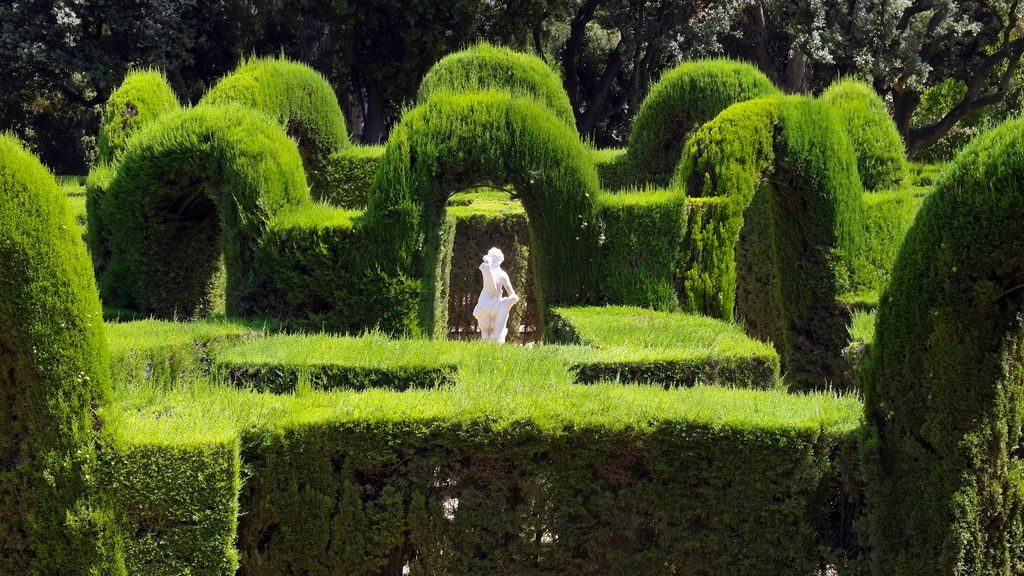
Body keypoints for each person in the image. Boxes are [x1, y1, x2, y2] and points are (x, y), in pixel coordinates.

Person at [472, 247, 520, 343]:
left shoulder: (502, 275)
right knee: (484, 328)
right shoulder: (487, 269)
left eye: (492, 258)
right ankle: (486, 343)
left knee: (504, 306)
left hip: (497, 302)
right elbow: (489, 285)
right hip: (484, 301)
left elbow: (512, 294)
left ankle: (496, 340)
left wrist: (510, 300)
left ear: (498, 260)